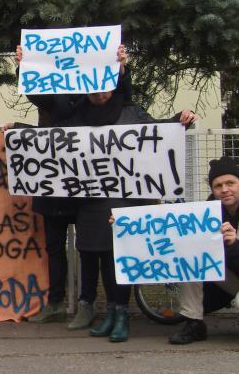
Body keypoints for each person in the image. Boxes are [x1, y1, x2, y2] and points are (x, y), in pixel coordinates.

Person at [63, 79, 197, 342]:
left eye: (104, 87)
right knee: (95, 253)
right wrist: (17, 130)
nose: (100, 93)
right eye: (93, 89)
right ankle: (111, 314)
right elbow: (53, 140)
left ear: (113, 87)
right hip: (91, 200)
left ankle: (122, 314)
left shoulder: (131, 112)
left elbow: (156, 131)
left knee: (118, 258)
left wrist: (180, 120)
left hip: (126, 199)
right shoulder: (77, 116)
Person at [8, 44, 129, 329]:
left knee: (88, 248)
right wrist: (25, 66)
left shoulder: (96, 104)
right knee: (55, 247)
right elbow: (41, 100)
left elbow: (122, 97)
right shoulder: (59, 99)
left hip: (85, 192)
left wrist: (121, 68)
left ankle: (87, 303)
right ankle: (56, 303)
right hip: (53, 187)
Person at [169, 156, 239, 345]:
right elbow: (174, 232)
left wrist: (234, 245)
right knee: (191, 258)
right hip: (234, 273)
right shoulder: (208, 213)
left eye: (230, 183)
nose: (224, 190)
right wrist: (125, 225)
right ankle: (194, 323)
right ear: (212, 190)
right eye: (218, 185)